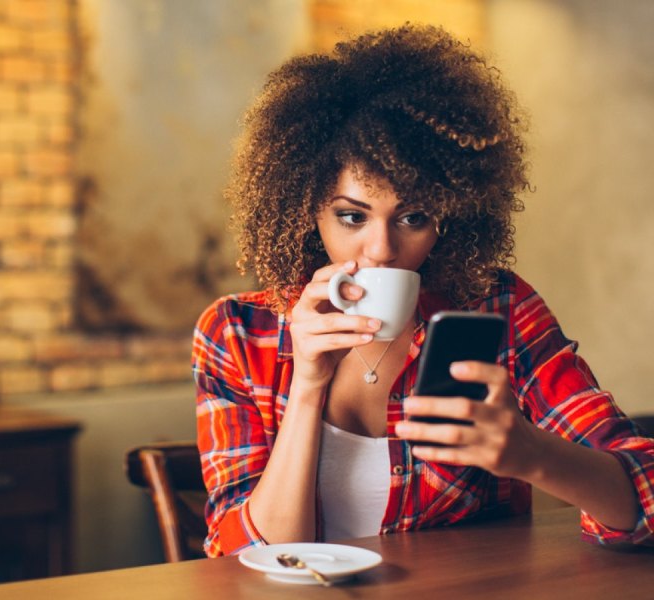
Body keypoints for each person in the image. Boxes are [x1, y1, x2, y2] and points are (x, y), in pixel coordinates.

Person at [191, 24, 654, 558]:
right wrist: (307, 387)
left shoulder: (495, 308)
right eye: (351, 216)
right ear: (305, 209)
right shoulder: (237, 334)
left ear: (450, 218)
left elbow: (643, 494)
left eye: (413, 216)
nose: (382, 248)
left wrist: (531, 454)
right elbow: (243, 559)